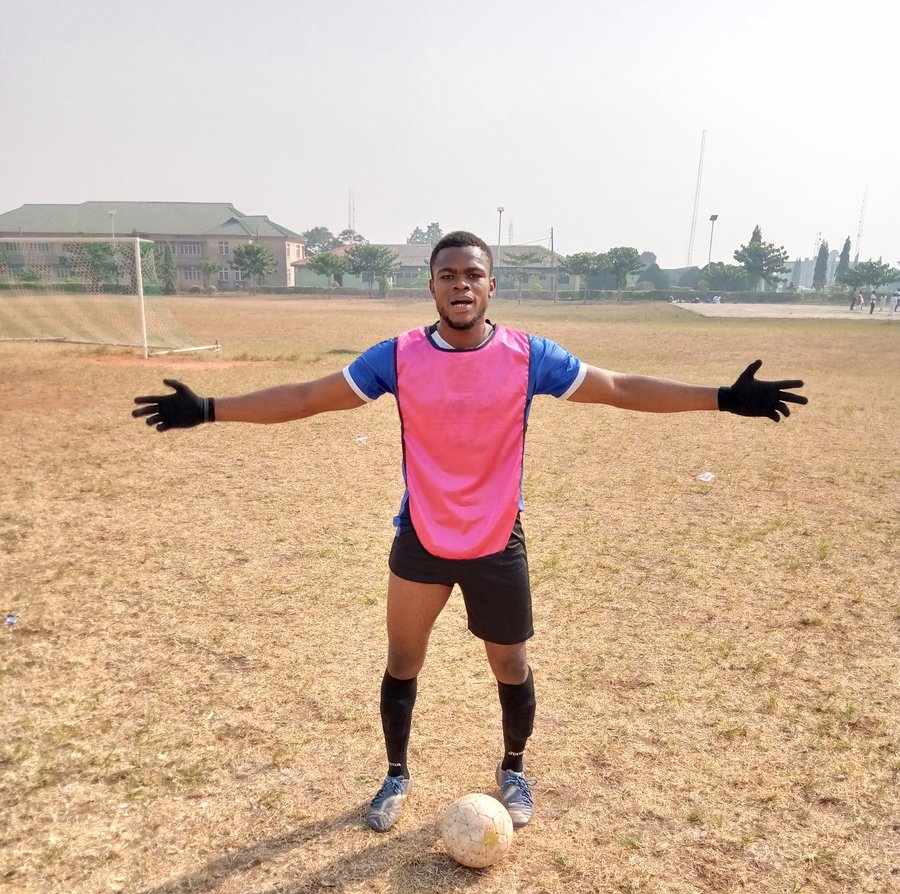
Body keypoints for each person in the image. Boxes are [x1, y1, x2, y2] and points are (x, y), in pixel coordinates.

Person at [132, 230, 807, 834]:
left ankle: (513, 768)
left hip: (496, 543)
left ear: (491, 286)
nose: (461, 285)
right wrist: (210, 409)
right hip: (422, 539)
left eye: (473, 274)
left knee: (510, 665)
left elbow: (620, 387)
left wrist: (722, 398)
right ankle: (395, 774)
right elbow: (309, 397)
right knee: (403, 661)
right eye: (448, 275)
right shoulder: (397, 356)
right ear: (431, 286)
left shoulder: (528, 356)